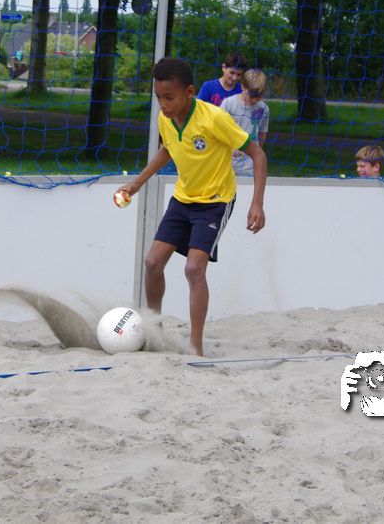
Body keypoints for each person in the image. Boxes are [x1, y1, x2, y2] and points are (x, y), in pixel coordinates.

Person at [115, 57, 267, 356]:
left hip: (215, 202)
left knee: (194, 268)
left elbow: (258, 154)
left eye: (169, 97)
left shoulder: (214, 118)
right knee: (152, 263)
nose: (163, 104)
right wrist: (136, 184)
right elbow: (167, 150)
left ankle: (195, 345)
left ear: (189, 92)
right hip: (183, 198)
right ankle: (155, 331)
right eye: (158, 97)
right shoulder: (166, 118)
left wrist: (257, 204)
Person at [221, 69, 270, 176]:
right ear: (243, 87)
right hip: (228, 165)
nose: (255, 100)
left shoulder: (264, 109)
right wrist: (230, 147)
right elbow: (219, 132)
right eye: (251, 96)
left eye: (259, 97)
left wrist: (256, 153)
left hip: (250, 167)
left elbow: (262, 134)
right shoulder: (229, 104)